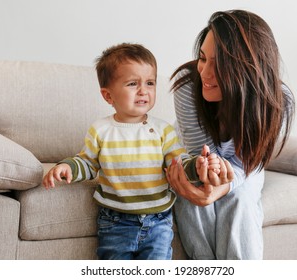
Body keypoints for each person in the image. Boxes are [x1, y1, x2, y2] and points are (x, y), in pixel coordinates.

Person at [42, 43, 223, 260]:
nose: (143, 91)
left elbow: (178, 163)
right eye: (132, 84)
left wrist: (196, 165)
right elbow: (88, 163)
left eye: (150, 83)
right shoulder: (101, 130)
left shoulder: (163, 130)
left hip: (158, 221)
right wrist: (67, 167)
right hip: (115, 222)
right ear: (108, 96)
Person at [165, 10, 295, 259]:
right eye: (203, 58)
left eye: (220, 64)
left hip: (243, 166)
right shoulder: (187, 84)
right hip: (194, 159)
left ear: (247, 69)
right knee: (193, 192)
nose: (204, 72)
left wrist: (221, 189)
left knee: (241, 198)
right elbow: (200, 158)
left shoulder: (278, 104)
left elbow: (245, 164)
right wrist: (205, 190)